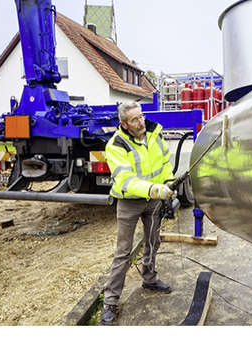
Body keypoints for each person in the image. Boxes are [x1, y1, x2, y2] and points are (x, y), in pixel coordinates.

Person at [100, 101, 175, 326]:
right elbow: (126, 181)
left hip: (153, 201)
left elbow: (164, 163)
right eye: (135, 120)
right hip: (129, 203)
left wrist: (168, 181)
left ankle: (149, 280)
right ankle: (110, 303)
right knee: (123, 252)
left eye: (141, 116)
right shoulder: (116, 145)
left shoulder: (154, 133)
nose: (141, 122)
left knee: (152, 241)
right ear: (124, 124)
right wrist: (154, 189)